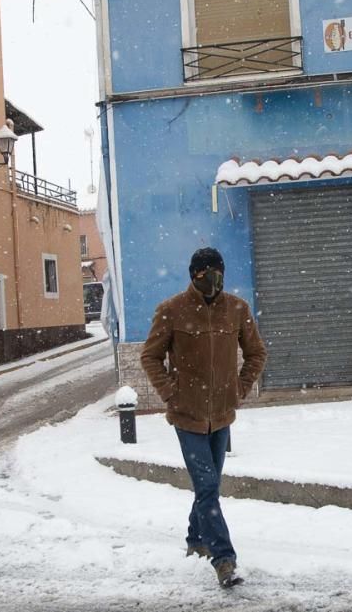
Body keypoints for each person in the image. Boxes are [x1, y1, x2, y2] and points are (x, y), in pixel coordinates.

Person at [140, 247, 267, 587]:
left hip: (222, 415)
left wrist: (239, 388)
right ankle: (223, 558)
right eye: (205, 273)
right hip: (187, 416)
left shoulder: (237, 309)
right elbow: (150, 357)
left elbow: (257, 353)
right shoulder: (171, 311)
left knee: (207, 487)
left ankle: (196, 537)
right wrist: (171, 393)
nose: (213, 280)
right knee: (208, 485)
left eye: (218, 272)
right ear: (193, 276)